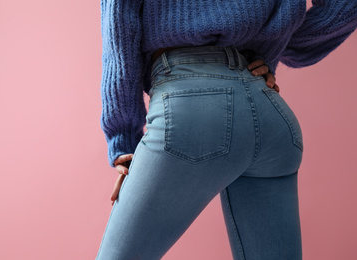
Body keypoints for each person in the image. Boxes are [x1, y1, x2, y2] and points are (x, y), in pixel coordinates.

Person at [96, 1, 357, 259]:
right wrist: (271, 48)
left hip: (189, 104)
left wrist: (124, 136)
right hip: (270, 112)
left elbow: (120, 25)